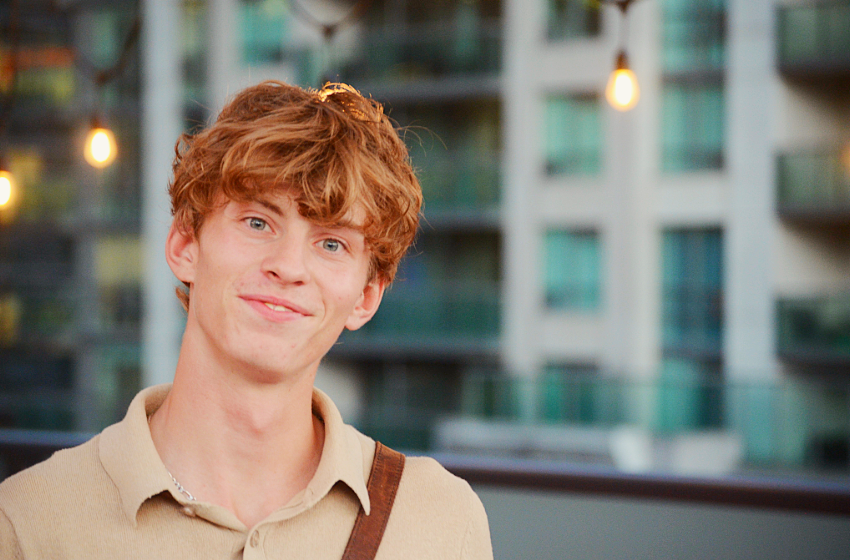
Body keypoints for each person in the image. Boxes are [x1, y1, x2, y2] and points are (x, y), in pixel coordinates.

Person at [0, 81, 492, 559]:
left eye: (331, 243)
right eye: (258, 222)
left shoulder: (441, 521)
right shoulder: (26, 523)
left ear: (366, 297)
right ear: (185, 244)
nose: (289, 266)